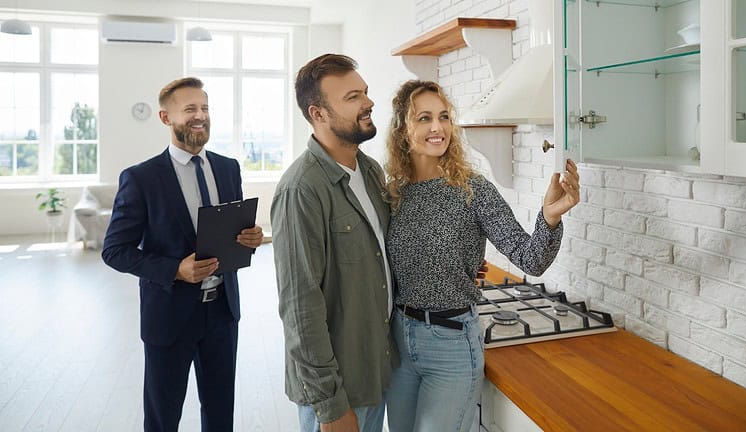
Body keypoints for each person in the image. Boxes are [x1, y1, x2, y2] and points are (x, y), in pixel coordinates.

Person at [383, 80, 580, 432]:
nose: (437, 127)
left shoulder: (473, 190)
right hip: (399, 340)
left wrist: (550, 217)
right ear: (402, 129)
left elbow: (530, 258)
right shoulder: (394, 193)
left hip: (451, 344)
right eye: (424, 118)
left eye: (443, 117)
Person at [102, 77, 264, 432]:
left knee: (221, 413)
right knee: (163, 417)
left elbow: (230, 231)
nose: (200, 116)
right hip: (169, 317)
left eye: (204, 108)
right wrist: (175, 269)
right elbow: (114, 251)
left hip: (223, 311)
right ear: (165, 118)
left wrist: (250, 237)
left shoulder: (228, 167)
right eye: (190, 109)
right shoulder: (140, 178)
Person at [271, 54, 395, 432]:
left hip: (374, 370)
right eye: (352, 97)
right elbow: (300, 309)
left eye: (366, 93)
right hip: (337, 392)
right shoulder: (301, 189)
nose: (368, 103)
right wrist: (330, 406)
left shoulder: (370, 171)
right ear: (318, 114)